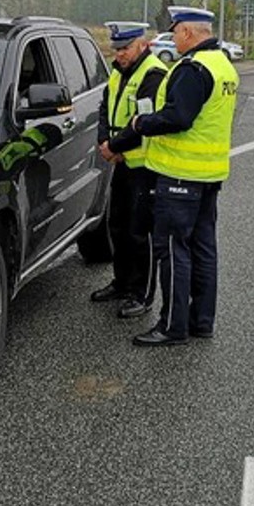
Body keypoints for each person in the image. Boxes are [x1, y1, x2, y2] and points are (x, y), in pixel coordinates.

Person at [103, 6, 239, 347]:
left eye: (176, 31)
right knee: (203, 250)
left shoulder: (192, 69)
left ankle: (173, 326)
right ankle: (200, 322)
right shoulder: (221, 64)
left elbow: (178, 117)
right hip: (207, 174)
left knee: (174, 251)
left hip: (181, 175)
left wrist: (140, 124)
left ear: (188, 33)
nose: (174, 38)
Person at [90, 21, 168, 319]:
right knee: (118, 226)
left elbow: (143, 120)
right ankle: (121, 283)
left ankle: (141, 294)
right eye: (117, 48)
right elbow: (104, 107)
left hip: (143, 166)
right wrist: (103, 141)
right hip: (121, 162)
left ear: (142, 45)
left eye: (125, 48)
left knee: (139, 232)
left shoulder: (153, 74)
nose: (119, 54)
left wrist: (115, 146)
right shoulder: (118, 71)